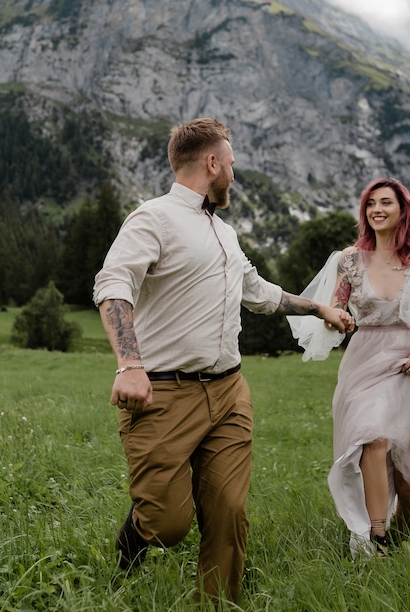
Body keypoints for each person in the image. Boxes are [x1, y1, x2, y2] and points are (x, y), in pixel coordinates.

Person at [94, 117, 356, 604]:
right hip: (163, 393)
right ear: (212, 163)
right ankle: (130, 549)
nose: (234, 175)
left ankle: (216, 603)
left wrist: (319, 307)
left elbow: (260, 295)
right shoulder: (152, 218)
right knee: (167, 523)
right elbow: (112, 287)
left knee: (229, 513)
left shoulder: (227, 235)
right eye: (231, 164)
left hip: (230, 392)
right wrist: (129, 366)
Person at [287, 177, 410, 556]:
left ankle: (409, 544)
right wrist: (333, 318)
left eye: (386, 202)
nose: (377, 209)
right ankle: (375, 538)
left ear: (402, 209)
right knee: (371, 439)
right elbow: (337, 308)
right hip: (365, 359)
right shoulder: (350, 260)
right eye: (371, 203)